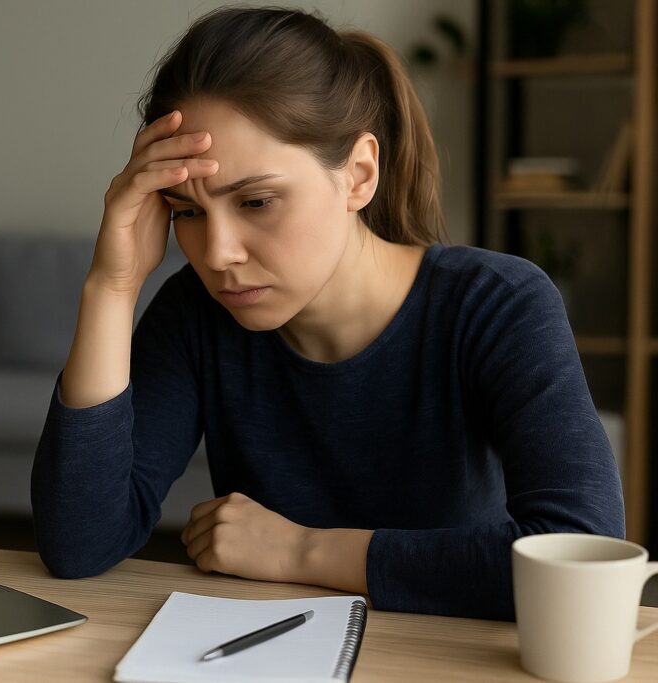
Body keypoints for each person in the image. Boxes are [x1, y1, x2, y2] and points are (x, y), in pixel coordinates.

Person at [30, 5, 624, 621]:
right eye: (187, 212)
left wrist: (302, 551)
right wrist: (113, 284)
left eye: (257, 201)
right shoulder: (196, 315)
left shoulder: (496, 304)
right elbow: (79, 545)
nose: (219, 253)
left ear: (359, 174)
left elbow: (582, 557)